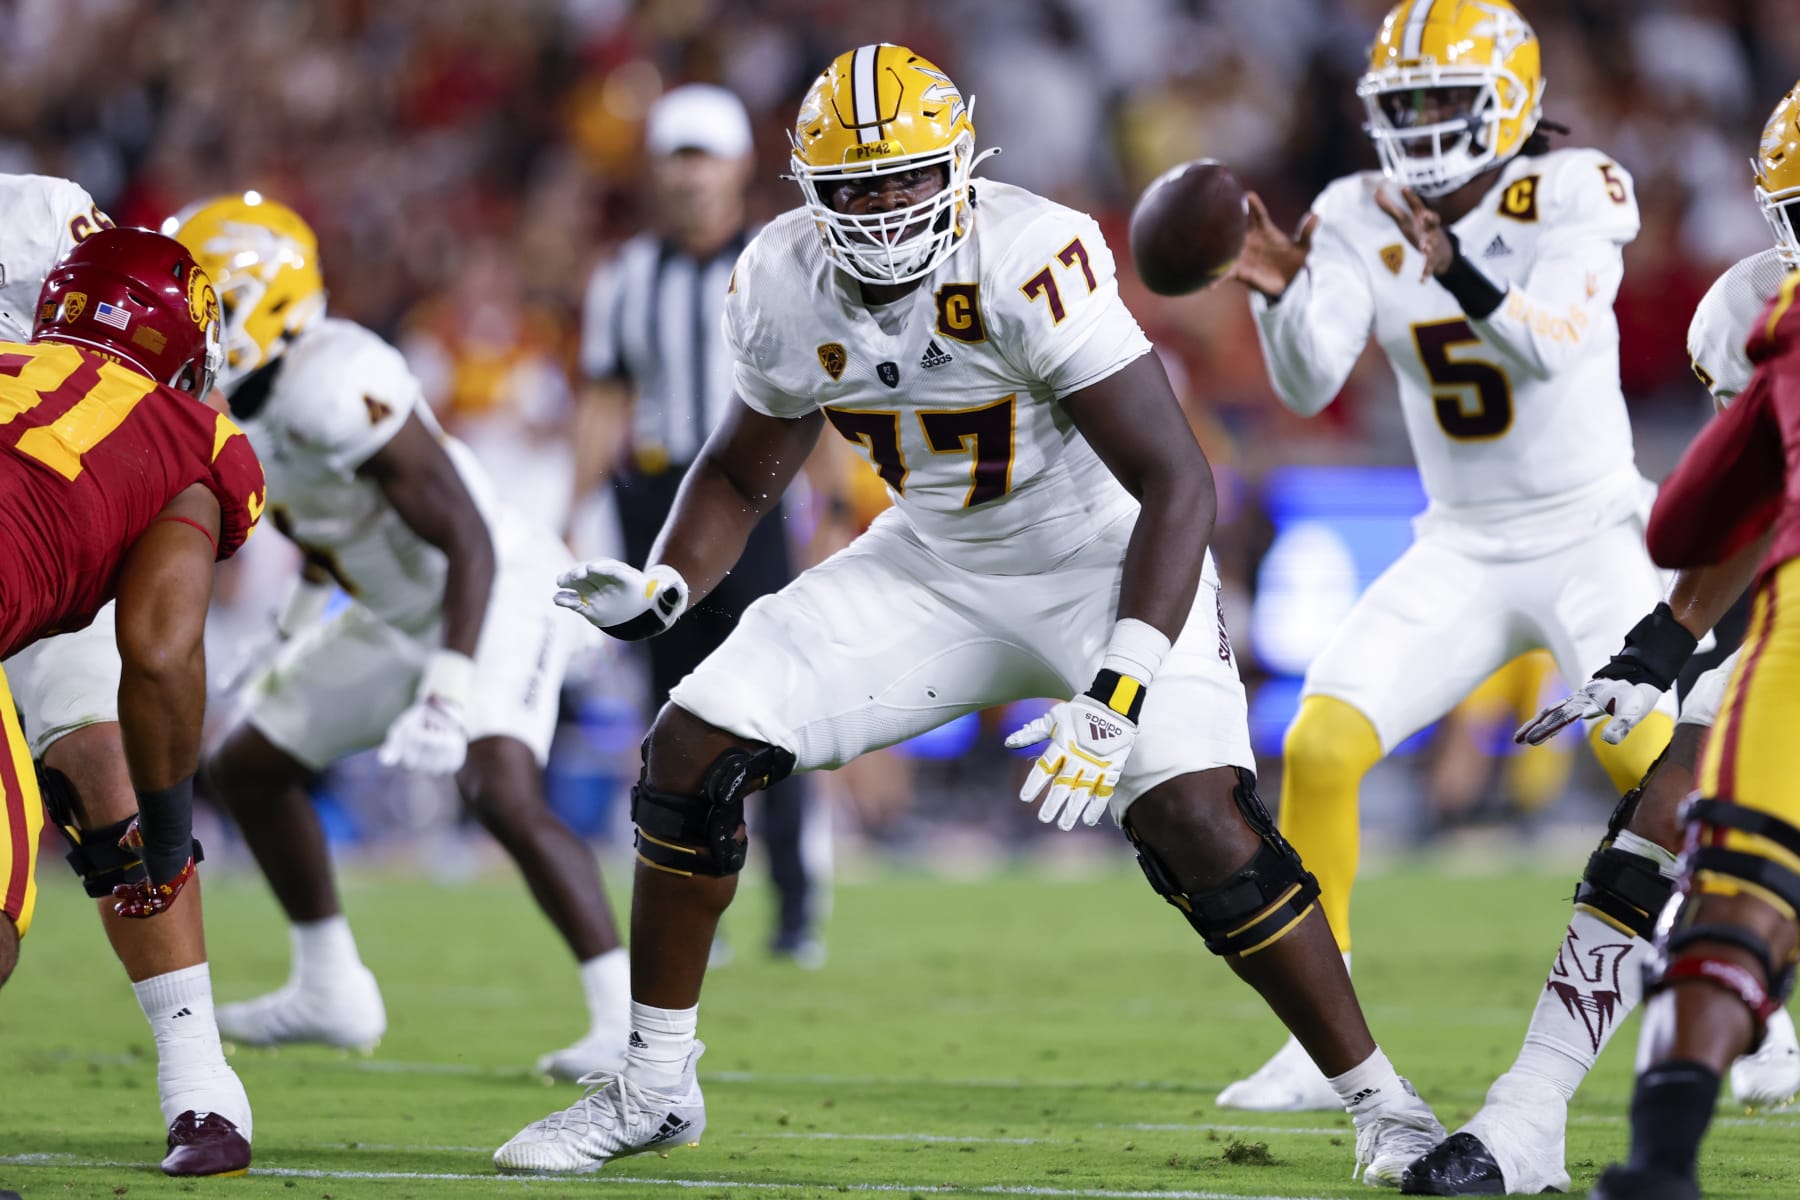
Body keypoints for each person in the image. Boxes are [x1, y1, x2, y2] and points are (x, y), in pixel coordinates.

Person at [492, 43, 1445, 1183]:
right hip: (934, 562)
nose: (885, 209)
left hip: (1102, 561)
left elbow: (1180, 484)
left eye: (906, 179)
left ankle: (1386, 1106)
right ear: (810, 190)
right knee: (690, 745)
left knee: (1199, 822)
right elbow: (743, 473)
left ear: (958, 167)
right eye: (857, 189)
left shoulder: (1028, 253)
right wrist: (666, 586)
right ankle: (652, 1086)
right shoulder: (781, 276)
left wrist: (1119, 687)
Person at [1219, 0, 1675, 1144]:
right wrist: (1277, 295)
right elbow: (1311, 381)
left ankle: (1745, 1013)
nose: (1422, 125)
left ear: (1511, 102)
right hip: (1462, 542)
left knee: (1654, 761)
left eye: (1445, 101)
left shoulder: (1577, 188)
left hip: (1590, 531)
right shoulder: (1355, 210)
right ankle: (1315, 1042)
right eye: (1406, 103)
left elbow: (1551, 343)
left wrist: (1456, 265)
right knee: (1322, 743)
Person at [1402, 81, 1800, 1196]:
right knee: (1672, 818)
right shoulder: (1756, 313)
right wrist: (1662, 647)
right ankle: (1530, 1115)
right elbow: (1756, 507)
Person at [166, 194, 630, 1080]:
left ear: (265, 299)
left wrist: (449, 687)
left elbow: (470, 537)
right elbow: (326, 529)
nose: (187, 324)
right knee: (247, 767)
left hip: (497, 587)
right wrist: (289, 629)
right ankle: (329, 988)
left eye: (205, 303)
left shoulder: (335, 378)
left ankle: (630, 1025)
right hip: (399, 611)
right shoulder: (246, 405)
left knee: (498, 785)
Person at [0, 224, 264, 1176]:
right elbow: (159, 654)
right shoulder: (196, 435)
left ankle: (199, 1084)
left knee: (95, 769)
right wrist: (170, 834)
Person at [571, 83, 821, 966]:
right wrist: (574, 509)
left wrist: (828, 508)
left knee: (775, 708)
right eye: (677, 157)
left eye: (703, 156)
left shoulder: (780, 265)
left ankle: (795, 905)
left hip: (758, 498)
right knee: (672, 711)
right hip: (655, 497)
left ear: (740, 165)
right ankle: (687, 895)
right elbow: (605, 398)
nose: (690, 176)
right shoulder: (624, 276)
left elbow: (820, 395)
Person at [1583, 267, 1800, 1200]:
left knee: (1731, 899)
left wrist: (1658, 647)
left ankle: (1660, 1169)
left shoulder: (1776, 316)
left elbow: (1684, 524)